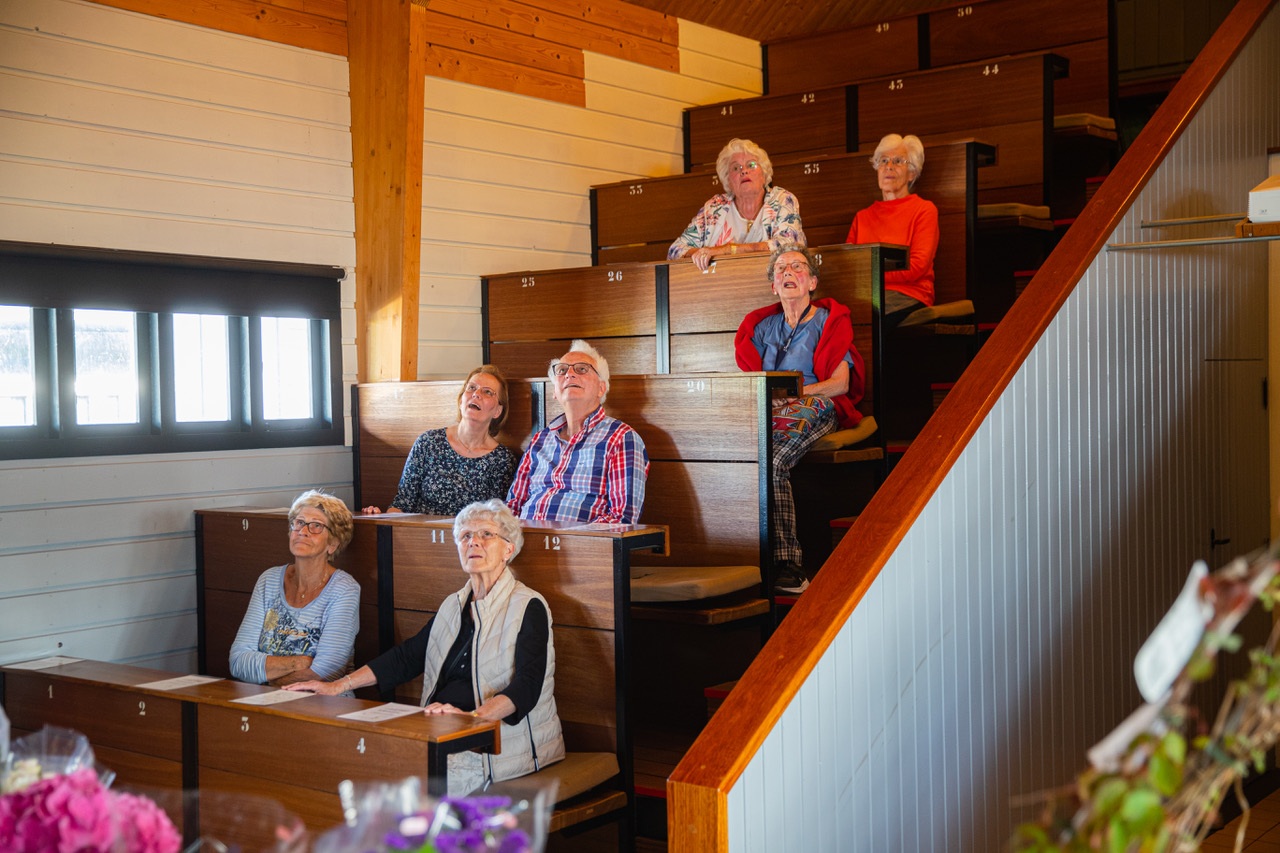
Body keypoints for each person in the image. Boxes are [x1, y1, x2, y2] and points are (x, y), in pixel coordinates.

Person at [286, 500, 565, 796]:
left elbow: (528, 686)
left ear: (508, 549)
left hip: (498, 743)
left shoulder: (528, 605)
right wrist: (336, 687)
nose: (474, 542)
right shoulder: (453, 604)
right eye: (466, 536)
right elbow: (407, 657)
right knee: (352, 768)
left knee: (404, 793)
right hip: (440, 731)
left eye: (486, 534)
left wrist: (470, 722)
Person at [735, 246, 866, 595]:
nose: (788, 271)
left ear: (812, 281)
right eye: (780, 268)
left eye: (797, 266)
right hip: (770, 406)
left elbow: (840, 383)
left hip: (817, 403)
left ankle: (789, 565)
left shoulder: (828, 321)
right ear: (773, 286)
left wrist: (799, 394)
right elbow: (750, 378)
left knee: (773, 460)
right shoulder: (762, 327)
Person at [506, 340, 648, 524]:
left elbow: (622, 518)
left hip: (582, 548)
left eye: (582, 369)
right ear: (555, 391)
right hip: (524, 544)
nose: (569, 374)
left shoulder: (621, 438)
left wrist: (570, 541)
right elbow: (512, 507)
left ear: (601, 388)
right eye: (562, 370)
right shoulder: (540, 440)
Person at [229, 490, 360, 687]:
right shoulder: (269, 580)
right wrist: (300, 662)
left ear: (333, 544)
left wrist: (271, 685)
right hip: (262, 702)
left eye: (316, 526)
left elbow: (327, 672)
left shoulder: (344, 589)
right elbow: (238, 661)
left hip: (321, 704)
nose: (303, 531)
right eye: (299, 523)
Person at [362, 366, 517, 516]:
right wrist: (378, 517)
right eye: (471, 388)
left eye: (487, 392)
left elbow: (496, 520)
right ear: (461, 400)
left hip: (469, 540)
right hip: (419, 536)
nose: (476, 394)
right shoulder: (428, 442)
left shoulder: (502, 460)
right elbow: (402, 504)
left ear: (498, 411)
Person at [668, 138, 806, 271]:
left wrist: (728, 250)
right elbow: (675, 251)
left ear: (764, 175)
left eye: (751, 165)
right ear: (728, 181)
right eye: (735, 168)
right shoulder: (715, 207)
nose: (744, 171)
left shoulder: (782, 200)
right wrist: (702, 254)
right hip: (720, 286)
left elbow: (789, 245)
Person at [846, 133, 939, 328]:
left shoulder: (924, 210)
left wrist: (871, 275)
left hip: (909, 293)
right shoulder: (862, 217)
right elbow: (849, 266)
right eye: (883, 161)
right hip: (868, 294)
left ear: (912, 173)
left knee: (865, 314)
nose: (888, 166)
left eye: (898, 161)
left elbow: (917, 266)